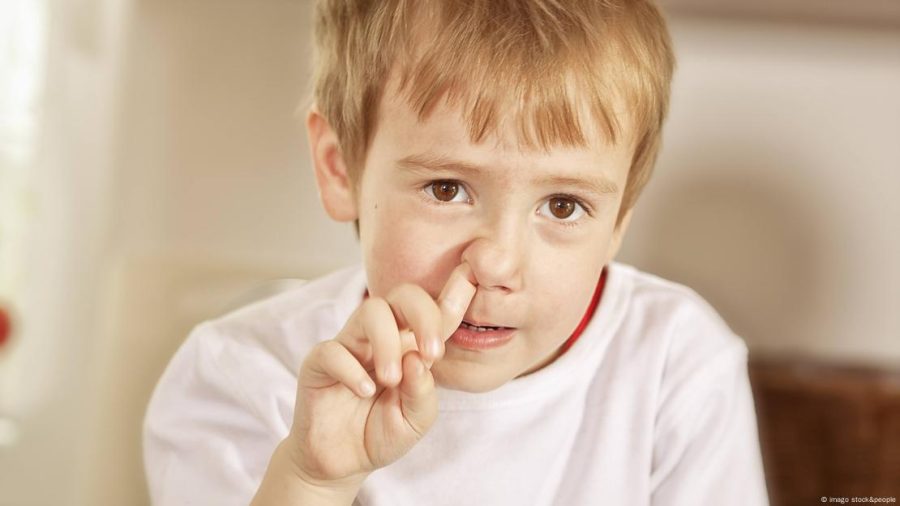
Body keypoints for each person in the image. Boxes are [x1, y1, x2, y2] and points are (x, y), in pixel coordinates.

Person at [143, 1, 770, 504]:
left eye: (562, 206)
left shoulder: (677, 366)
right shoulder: (239, 374)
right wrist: (313, 482)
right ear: (340, 169)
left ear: (619, 220)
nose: (496, 264)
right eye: (447, 189)